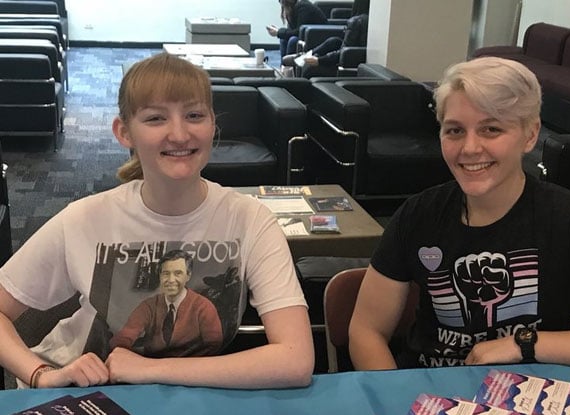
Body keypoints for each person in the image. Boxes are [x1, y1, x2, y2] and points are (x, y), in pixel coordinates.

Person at [0, 52, 314, 389]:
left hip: (181, 395)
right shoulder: (84, 219)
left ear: (213, 126)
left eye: (194, 115)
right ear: (124, 133)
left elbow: (295, 360)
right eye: (155, 119)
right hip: (77, 395)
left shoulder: (250, 220)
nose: (179, 134)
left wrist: (148, 370)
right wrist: (40, 376)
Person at [348, 56, 570, 371]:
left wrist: (524, 343)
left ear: (530, 135)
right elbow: (367, 331)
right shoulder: (417, 215)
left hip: (533, 397)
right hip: (431, 394)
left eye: (491, 129)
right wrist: (397, 407)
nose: (470, 148)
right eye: (455, 131)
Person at [110, 249, 223, 357]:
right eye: (165, 273)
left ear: (188, 276)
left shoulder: (203, 307)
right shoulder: (149, 306)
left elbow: (215, 347)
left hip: (190, 371)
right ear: (160, 276)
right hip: (152, 370)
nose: (171, 280)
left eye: (177, 273)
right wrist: (124, 355)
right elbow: (124, 336)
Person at [285, 12, 369, 78]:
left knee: (310, 69)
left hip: (348, 63)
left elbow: (345, 54)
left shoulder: (357, 22)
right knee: (334, 41)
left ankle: (303, 59)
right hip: (343, 56)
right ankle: (305, 56)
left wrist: (319, 60)